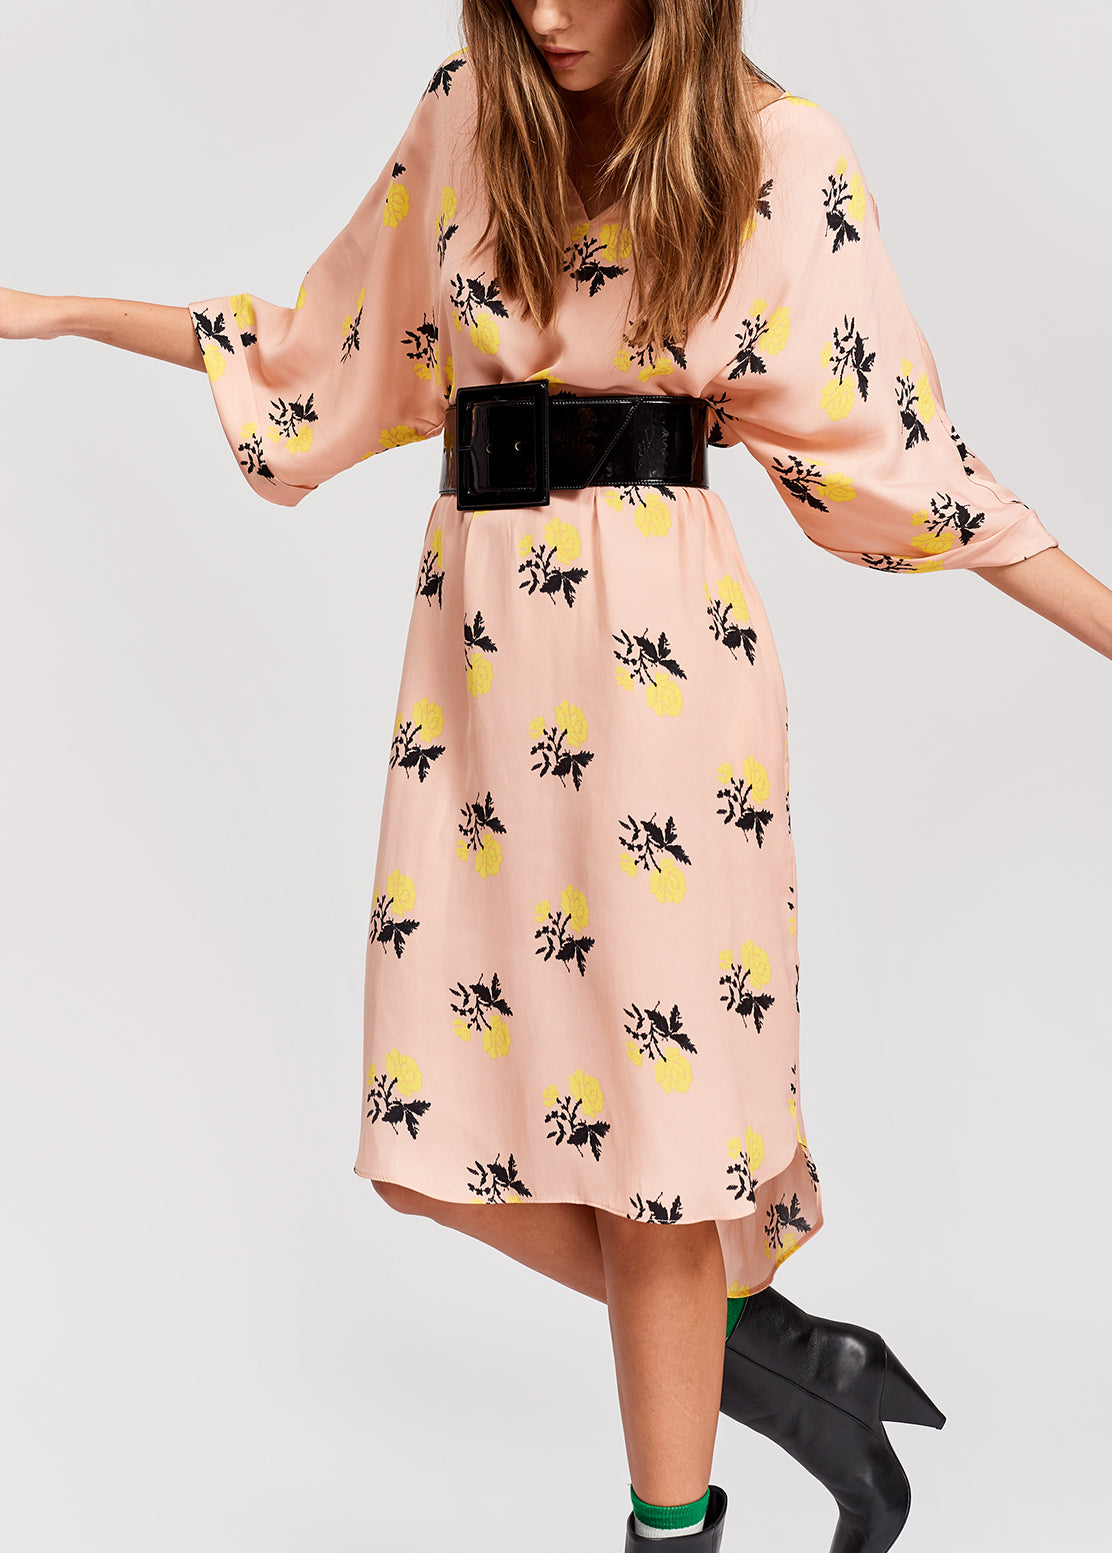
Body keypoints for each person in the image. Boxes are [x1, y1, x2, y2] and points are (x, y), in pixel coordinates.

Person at [3, 2, 1109, 1550]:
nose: (548, 14)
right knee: (427, 1145)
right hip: (475, 686)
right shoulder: (468, 112)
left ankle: (677, 1514)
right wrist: (56, 311)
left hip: (663, 685)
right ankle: (787, 1358)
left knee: (659, 1169)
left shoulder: (778, 149)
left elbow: (910, 460)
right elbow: (318, 350)